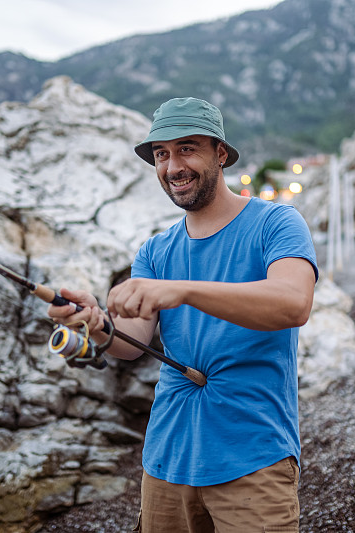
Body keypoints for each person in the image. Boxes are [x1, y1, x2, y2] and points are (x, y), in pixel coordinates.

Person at [48, 97, 318, 532]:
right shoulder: (155, 251)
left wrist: (183, 289)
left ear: (221, 154)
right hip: (166, 460)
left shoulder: (277, 223)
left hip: (253, 459)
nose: (173, 166)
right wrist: (95, 324)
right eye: (161, 154)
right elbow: (130, 343)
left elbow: (293, 303)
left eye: (187, 148)